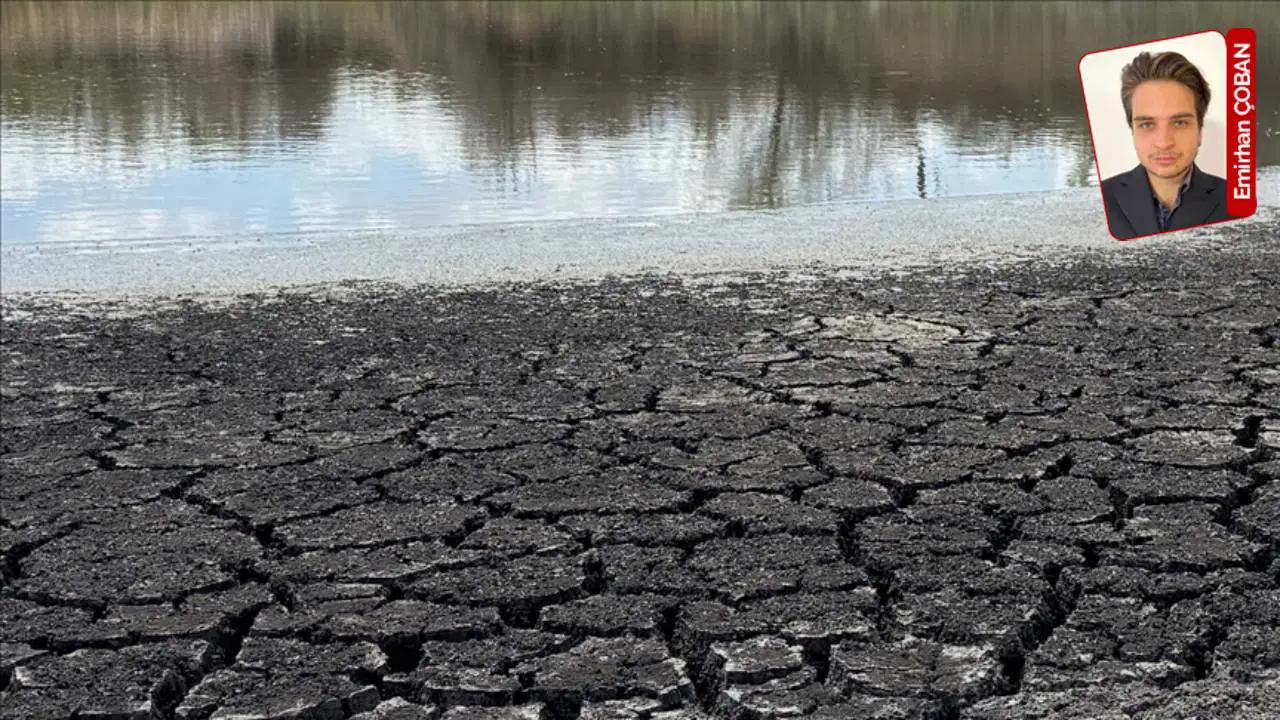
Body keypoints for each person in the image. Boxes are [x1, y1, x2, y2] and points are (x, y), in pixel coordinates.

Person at [1099, 50, 1231, 240]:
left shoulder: (1237, 201)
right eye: (1147, 125)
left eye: (1179, 123)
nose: (1163, 143)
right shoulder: (1099, 200)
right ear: (1132, 131)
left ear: (1200, 131)